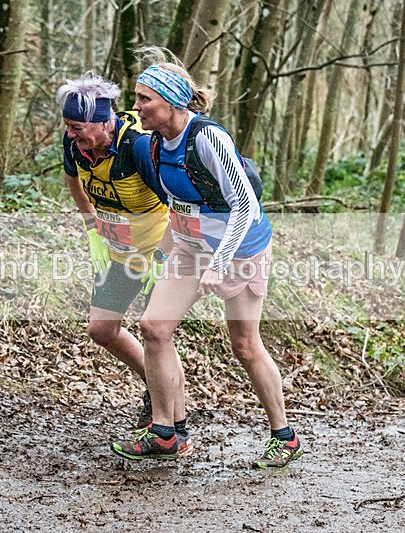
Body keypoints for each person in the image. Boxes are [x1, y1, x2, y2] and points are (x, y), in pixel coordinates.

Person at [109, 49, 303, 468]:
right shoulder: (156, 145)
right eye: (137, 98)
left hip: (241, 249)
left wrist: (219, 263)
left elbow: (244, 206)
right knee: (154, 327)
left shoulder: (208, 139)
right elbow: (177, 205)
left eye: (145, 99)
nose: (137, 107)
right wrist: (151, 256)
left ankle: (283, 436)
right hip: (190, 249)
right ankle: (166, 432)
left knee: (245, 346)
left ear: (174, 102)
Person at [57, 73, 192, 454]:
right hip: (118, 252)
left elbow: (177, 203)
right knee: (102, 328)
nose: (71, 135)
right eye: (68, 127)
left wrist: (163, 259)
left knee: (157, 334)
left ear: (104, 122)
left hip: (158, 250)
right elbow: (73, 179)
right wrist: (91, 228)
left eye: (78, 128)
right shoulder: (76, 146)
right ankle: (155, 387)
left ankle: (175, 431)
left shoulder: (137, 146)